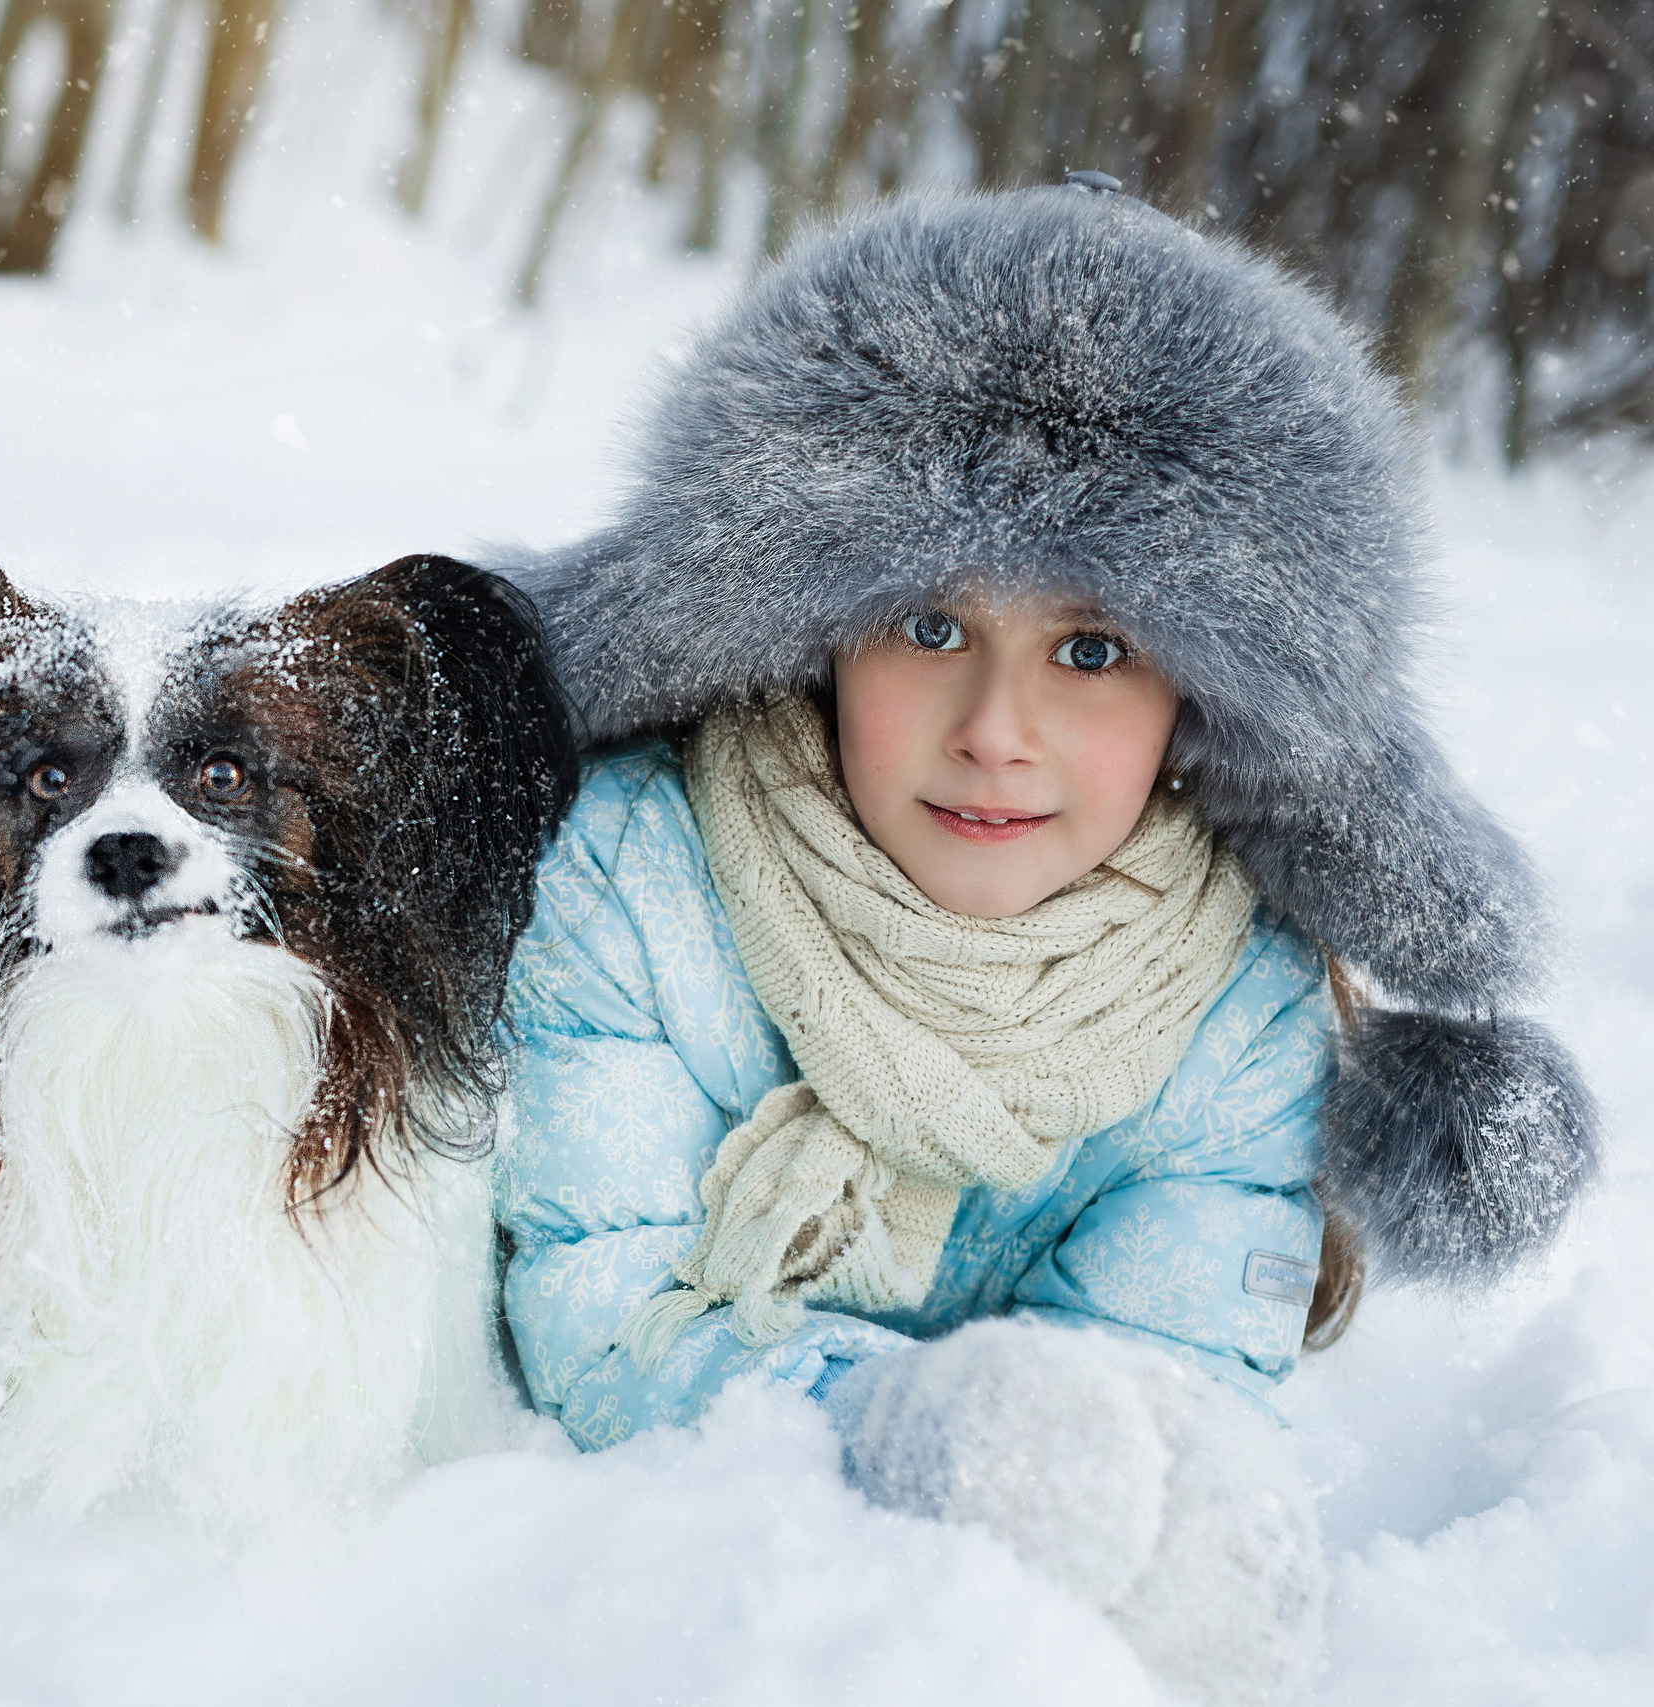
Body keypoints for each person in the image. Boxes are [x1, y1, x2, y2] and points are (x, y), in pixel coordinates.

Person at [488, 184, 1598, 1705]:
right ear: (806, 636)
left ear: (1201, 702)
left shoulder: (1234, 1008)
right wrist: (918, 1432)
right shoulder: (636, 882)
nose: (997, 732)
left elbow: (1169, 1393)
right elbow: (607, 1320)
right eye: (930, 629)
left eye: (1090, 650)